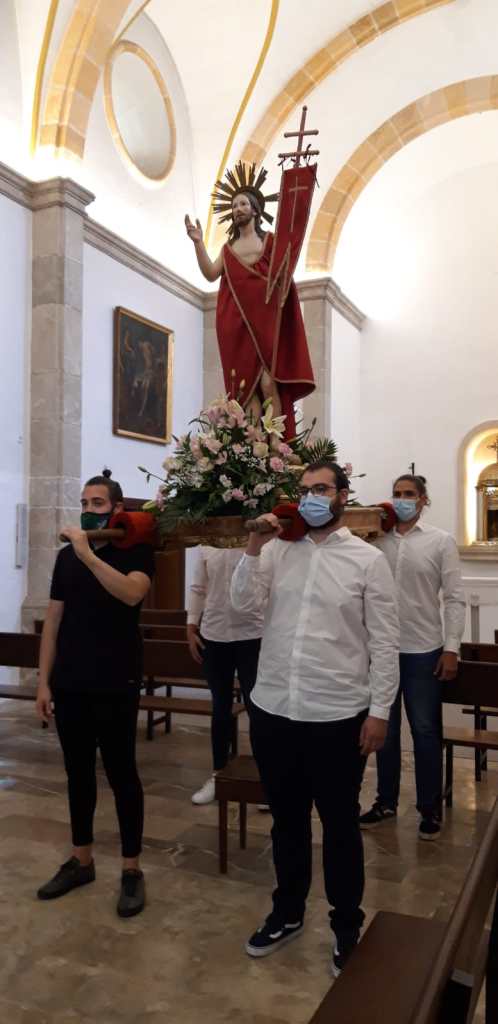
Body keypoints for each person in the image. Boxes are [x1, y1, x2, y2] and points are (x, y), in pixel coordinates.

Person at [230, 461, 399, 975]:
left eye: (321, 489)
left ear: (343, 495)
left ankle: (346, 925)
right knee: (287, 821)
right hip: (275, 707)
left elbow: (384, 642)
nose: (311, 498)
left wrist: (380, 712)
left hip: (337, 712)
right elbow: (242, 606)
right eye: (304, 490)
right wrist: (254, 545)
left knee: (340, 825)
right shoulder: (277, 551)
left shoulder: (368, 560)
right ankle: (287, 912)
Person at [35, 470, 155, 917]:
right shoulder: (66, 558)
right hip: (71, 681)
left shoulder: (134, 550)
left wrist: (88, 555)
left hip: (116, 679)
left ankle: (131, 869)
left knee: (122, 774)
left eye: (98, 503)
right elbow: (53, 621)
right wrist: (44, 681)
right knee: (78, 774)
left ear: (117, 509)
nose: (88, 510)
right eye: (84, 503)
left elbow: (131, 594)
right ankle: (81, 860)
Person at [360, 474, 465, 841]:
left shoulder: (440, 541)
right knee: (384, 731)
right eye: (397, 493)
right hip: (382, 649)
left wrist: (451, 647)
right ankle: (386, 801)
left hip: (423, 650)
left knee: (425, 730)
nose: (401, 499)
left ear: (423, 500)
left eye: (409, 494)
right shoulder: (376, 540)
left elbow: (454, 597)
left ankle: (428, 807)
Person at [185, 162, 315, 438]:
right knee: (246, 392)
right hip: (236, 325)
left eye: (243, 204)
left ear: (255, 209)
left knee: (268, 383)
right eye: (234, 206)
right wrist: (197, 243)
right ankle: (255, 447)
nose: (237, 209)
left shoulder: (271, 242)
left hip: (265, 323)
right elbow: (210, 274)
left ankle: (279, 444)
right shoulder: (228, 249)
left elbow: (284, 274)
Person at [187, 546, 263, 804]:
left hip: (253, 633)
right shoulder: (208, 545)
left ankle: (265, 778)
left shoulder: (261, 542)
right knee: (221, 707)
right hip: (215, 632)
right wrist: (191, 625)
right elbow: (199, 587)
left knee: (257, 707)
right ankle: (218, 774)